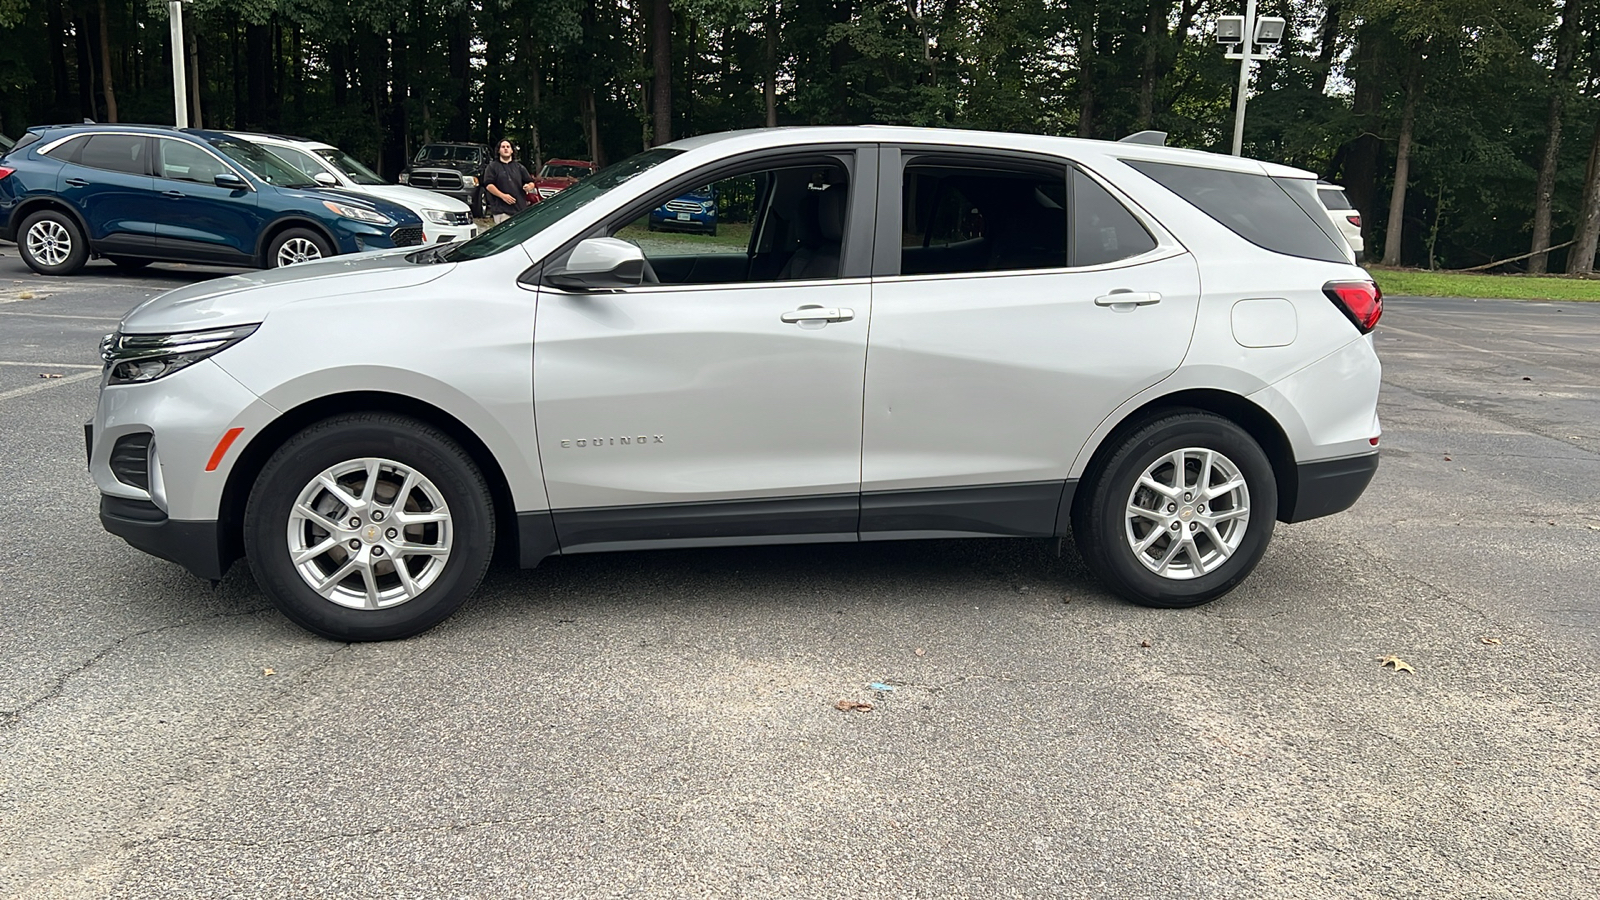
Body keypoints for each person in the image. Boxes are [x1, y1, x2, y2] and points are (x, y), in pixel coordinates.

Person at [481, 139, 535, 224]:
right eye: (503, 147)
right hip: (501, 210)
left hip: (519, 210)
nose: (506, 149)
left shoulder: (519, 167)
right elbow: (489, 185)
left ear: (512, 150)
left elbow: (531, 182)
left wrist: (529, 187)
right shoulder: (492, 167)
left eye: (508, 147)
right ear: (498, 150)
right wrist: (503, 196)